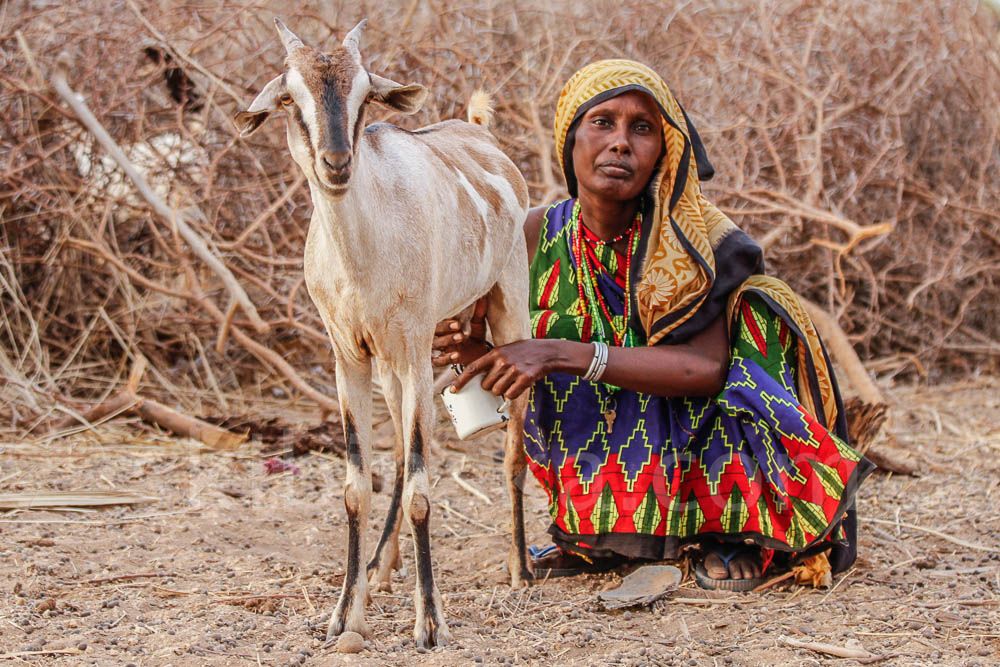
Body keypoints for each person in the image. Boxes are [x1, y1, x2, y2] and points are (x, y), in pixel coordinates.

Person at [434, 60, 874, 590]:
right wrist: (472, 348)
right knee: (542, 344)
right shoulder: (530, 234)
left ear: (664, 151)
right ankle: (596, 532)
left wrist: (558, 352)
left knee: (761, 306)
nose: (620, 143)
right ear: (569, 140)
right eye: (602, 122)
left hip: (699, 425)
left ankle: (732, 530)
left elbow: (705, 368)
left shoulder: (696, 237)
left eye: (641, 128)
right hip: (593, 437)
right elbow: (511, 357)